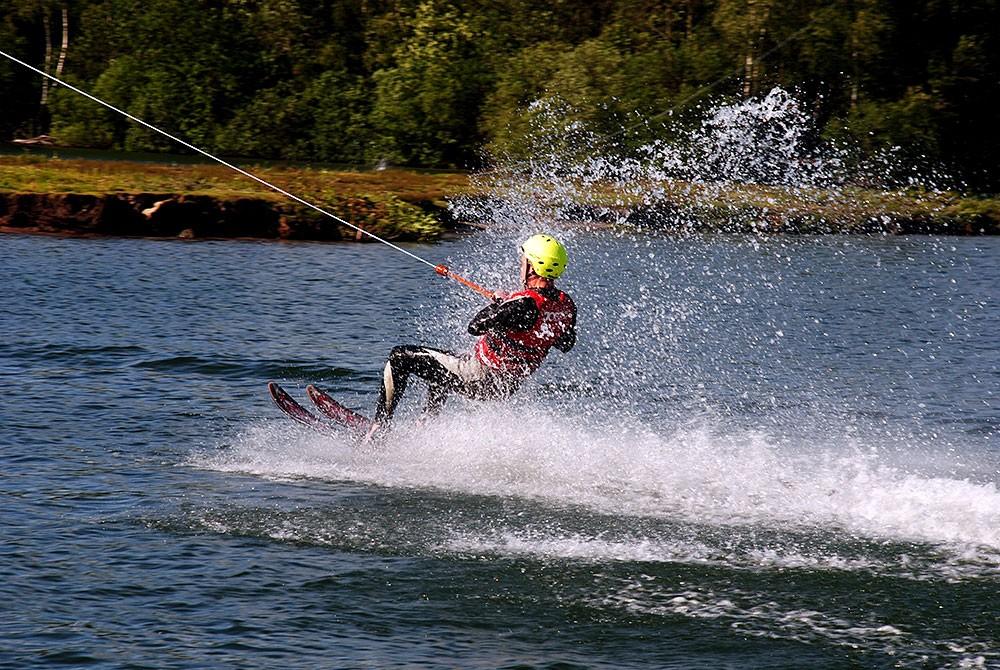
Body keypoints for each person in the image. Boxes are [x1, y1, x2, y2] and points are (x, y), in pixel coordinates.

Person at [366, 233, 577, 439]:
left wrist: (502, 304)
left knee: (399, 357)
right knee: (444, 362)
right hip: (507, 385)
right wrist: (511, 313)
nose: (521, 265)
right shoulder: (565, 305)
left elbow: (475, 327)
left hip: (480, 378)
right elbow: (566, 343)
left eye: (523, 261)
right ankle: (426, 425)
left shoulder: (523, 305)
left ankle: (378, 431)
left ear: (532, 266)